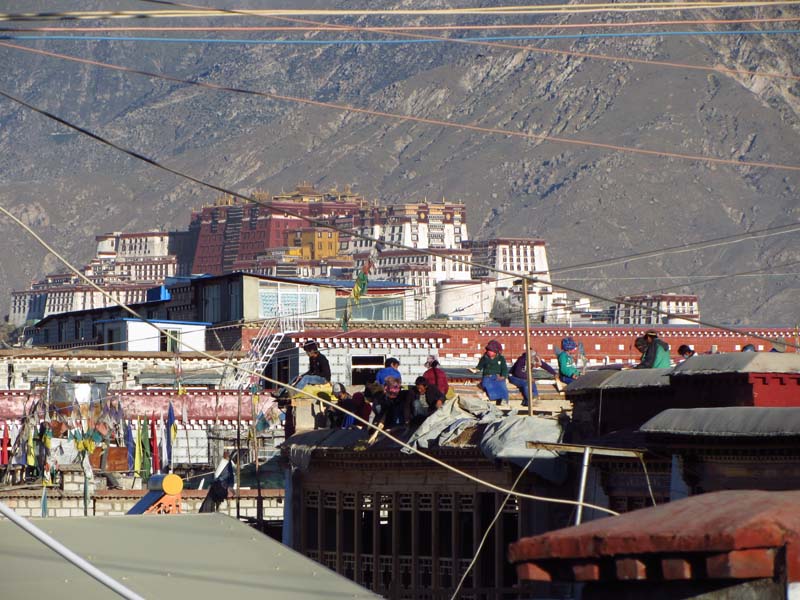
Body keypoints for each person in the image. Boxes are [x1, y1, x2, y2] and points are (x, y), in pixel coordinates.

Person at [472, 340, 509, 406]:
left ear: (495, 352)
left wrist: (503, 376)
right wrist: (475, 370)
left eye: (491, 350)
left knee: (502, 386)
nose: (489, 352)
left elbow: (504, 368)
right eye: (488, 350)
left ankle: (504, 400)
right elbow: (479, 367)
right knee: (487, 385)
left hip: (497, 376)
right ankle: (493, 398)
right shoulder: (484, 358)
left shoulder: (501, 358)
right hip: (487, 376)